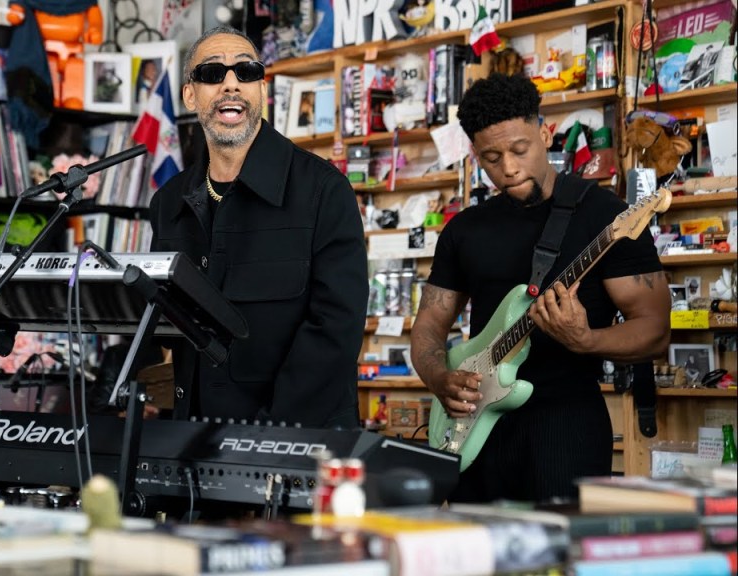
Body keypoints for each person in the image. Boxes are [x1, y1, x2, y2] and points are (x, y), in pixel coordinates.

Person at [409, 74, 670, 502]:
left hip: (566, 423)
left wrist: (587, 340)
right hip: (477, 426)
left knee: (563, 544)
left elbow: (655, 331)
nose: (509, 169)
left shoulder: (607, 217)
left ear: (545, 134)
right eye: (492, 157)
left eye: (520, 150)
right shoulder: (464, 230)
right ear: (475, 155)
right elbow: (429, 327)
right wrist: (440, 378)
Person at [147, 26, 368, 429]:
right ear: (190, 96)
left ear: (261, 90)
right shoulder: (168, 203)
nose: (231, 84)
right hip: (193, 438)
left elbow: (337, 329)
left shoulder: (323, 190)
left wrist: (267, 435)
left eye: (246, 71)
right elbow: (161, 326)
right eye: (212, 73)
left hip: (300, 441)